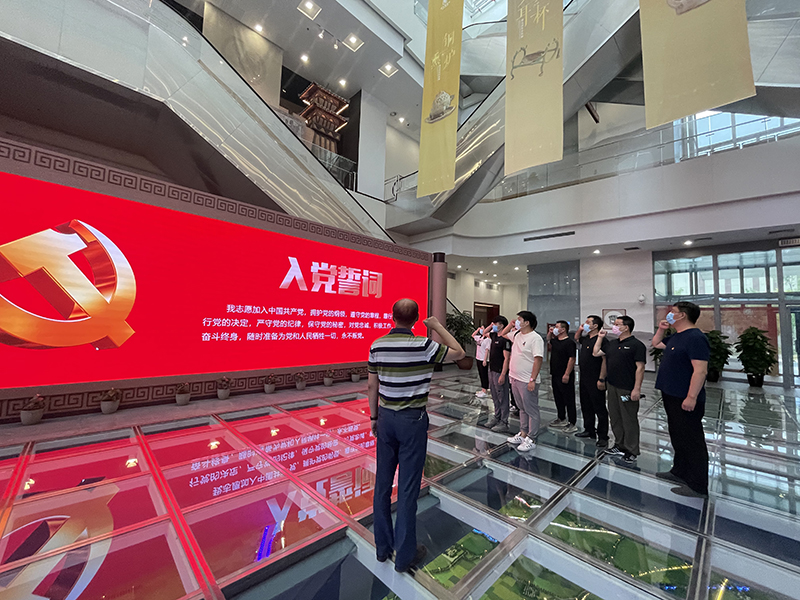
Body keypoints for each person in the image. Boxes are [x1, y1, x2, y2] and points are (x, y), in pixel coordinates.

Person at [368, 300, 465, 573]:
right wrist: (436, 326)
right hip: (413, 421)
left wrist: (374, 418)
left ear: (392, 316)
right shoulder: (424, 345)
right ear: (416, 319)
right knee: (408, 488)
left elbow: (372, 385)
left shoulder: (377, 345)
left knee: (382, 485)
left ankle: (382, 548)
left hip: (386, 419)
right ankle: (404, 556)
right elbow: (459, 353)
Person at [651, 301, 710, 498]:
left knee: (692, 439)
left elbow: (700, 370)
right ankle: (680, 471)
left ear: (682, 315)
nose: (669, 314)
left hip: (685, 397)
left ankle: (698, 485)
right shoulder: (677, 336)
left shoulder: (695, 338)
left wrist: (691, 397)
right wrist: (661, 329)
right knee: (678, 435)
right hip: (671, 394)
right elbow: (656, 344)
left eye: (672, 312)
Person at [593, 316, 646, 463]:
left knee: (629, 418)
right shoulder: (612, 343)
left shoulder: (636, 345)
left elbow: (640, 368)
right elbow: (596, 353)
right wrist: (600, 337)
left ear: (626, 327)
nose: (614, 326)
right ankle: (619, 444)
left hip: (627, 388)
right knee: (615, 417)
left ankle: (632, 450)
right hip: (612, 386)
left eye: (617, 324)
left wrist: (636, 389)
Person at [499, 311, 544, 452]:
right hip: (515, 377)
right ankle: (523, 433)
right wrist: (510, 325)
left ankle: (532, 438)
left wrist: (532, 379)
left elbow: (538, 359)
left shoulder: (535, 338)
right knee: (521, 408)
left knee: (531, 410)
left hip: (527, 380)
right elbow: (502, 334)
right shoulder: (517, 335)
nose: (517, 321)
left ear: (527, 322)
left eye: (519, 319)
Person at [574, 315, 609, 447]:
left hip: (596, 378)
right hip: (584, 378)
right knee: (586, 405)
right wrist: (580, 329)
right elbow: (577, 338)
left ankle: (603, 436)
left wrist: (601, 378)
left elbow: (605, 360)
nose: (585, 324)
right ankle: (589, 429)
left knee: (599, 407)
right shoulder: (586, 339)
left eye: (588, 322)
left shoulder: (602, 340)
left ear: (595, 326)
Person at [547, 320, 578, 433]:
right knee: (558, 397)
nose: (555, 328)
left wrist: (567, 374)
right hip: (555, 373)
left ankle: (572, 422)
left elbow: (572, 359)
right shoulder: (555, 341)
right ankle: (561, 418)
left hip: (565, 374)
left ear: (563, 329)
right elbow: (548, 340)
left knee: (568, 398)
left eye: (557, 327)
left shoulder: (569, 343)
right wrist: (550, 332)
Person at [484, 316, 512, 433]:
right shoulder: (494, 335)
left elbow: (507, 358)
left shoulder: (505, 340)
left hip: (500, 371)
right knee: (495, 395)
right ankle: (497, 416)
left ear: (502, 325)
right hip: (492, 369)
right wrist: (491, 325)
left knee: (502, 396)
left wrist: (503, 374)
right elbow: (484, 333)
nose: (494, 325)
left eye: (496, 323)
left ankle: (504, 421)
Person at [472, 325, 492, 400]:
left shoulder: (488, 339)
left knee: (484, 375)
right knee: (481, 374)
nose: (481, 330)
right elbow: (473, 335)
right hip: (478, 358)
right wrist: (477, 329)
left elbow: (487, 350)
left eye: (483, 329)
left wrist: (485, 360)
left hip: (483, 359)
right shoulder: (480, 338)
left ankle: (485, 390)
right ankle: (483, 389)